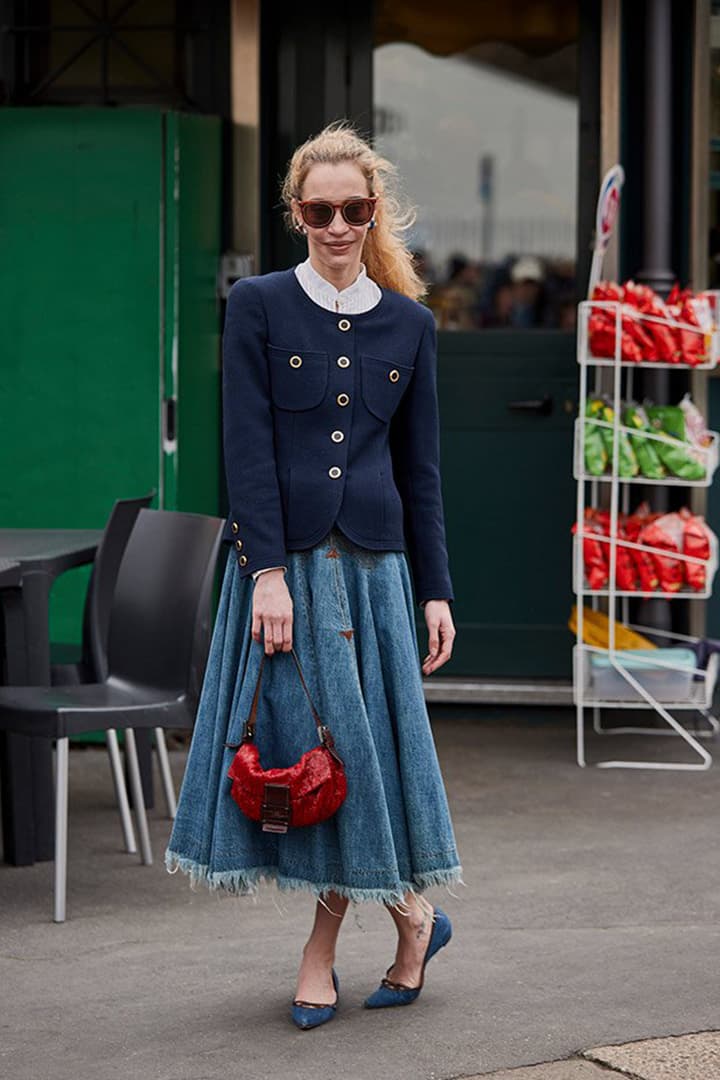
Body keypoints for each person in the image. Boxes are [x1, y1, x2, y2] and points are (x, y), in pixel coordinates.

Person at [165, 120, 462, 1029]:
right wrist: (264, 574)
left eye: (354, 209)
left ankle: (328, 950)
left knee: (356, 759)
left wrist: (436, 588)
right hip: (284, 572)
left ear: (375, 213)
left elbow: (422, 472)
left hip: (373, 576)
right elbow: (244, 452)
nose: (338, 225)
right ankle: (410, 917)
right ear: (296, 212)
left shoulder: (411, 324)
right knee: (314, 760)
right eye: (320, 209)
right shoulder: (257, 304)